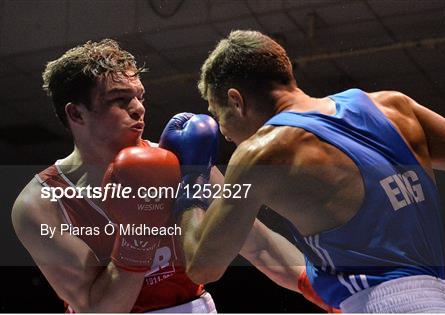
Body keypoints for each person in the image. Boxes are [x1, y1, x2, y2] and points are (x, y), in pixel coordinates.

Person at [175, 30, 445, 313]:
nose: (225, 135)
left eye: (221, 117)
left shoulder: (261, 153)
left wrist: (191, 178)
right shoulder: (395, 106)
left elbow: (203, 267)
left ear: (236, 100)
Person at [11, 39, 329, 313]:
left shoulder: (180, 161)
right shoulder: (40, 203)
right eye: (120, 100)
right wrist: (138, 233)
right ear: (76, 113)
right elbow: (98, 308)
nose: (138, 108)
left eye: (140, 96)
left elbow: (257, 244)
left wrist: (327, 292)